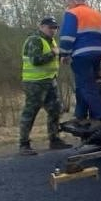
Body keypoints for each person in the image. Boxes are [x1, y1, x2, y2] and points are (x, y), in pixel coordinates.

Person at [58, 0, 101, 128]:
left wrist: (64, 54)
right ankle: (80, 116)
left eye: (68, 2)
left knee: (86, 86)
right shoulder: (97, 14)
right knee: (82, 85)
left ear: (73, 1)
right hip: (97, 54)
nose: (67, 5)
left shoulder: (72, 13)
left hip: (80, 55)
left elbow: (66, 37)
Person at [18, 17, 72, 155]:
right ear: (41, 27)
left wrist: (61, 58)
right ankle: (24, 144)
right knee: (30, 113)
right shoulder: (34, 40)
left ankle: (54, 139)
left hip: (49, 81)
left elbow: (50, 58)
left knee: (55, 110)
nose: (53, 30)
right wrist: (53, 53)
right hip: (34, 83)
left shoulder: (50, 40)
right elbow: (36, 60)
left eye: (55, 28)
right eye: (50, 27)